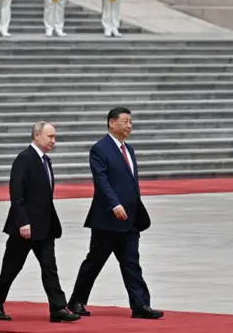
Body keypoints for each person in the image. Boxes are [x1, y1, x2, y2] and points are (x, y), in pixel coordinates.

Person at [67, 107, 164, 319]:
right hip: (107, 220)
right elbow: (101, 181)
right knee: (94, 262)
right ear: (112, 123)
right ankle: (76, 301)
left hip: (130, 220)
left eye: (131, 122)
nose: (130, 125)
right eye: (125, 121)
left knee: (132, 264)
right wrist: (114, 204)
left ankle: (140, 305)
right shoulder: (99, 149)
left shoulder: (129, 149)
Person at [0, 121, 81, 323]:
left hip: (45, 227)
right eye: (50, 136)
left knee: (50, 268)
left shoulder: (46, 161)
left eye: (55, 137)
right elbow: (16, 194)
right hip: (25, 228)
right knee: (11, 269)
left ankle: (58, 308)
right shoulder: (24, 159)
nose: (53, 141)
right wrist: (22, 222)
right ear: (37, 136)